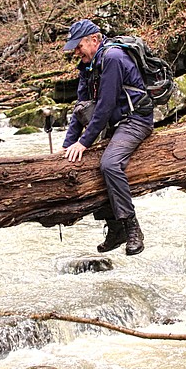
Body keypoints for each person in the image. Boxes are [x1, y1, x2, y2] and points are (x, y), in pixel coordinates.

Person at [61, 19, 154, 255]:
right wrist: (67, 146)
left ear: (94, 40)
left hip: (135, 120)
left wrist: (84, 142)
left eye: (79, 45)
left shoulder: (112, 58)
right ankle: (115, 229)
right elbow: (80, 108)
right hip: (115, 125)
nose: (76, 51)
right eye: (74, 47)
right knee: (92, 166)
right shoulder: (87, 66)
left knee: (110, 165)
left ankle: (132, 227)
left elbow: (105, 105)